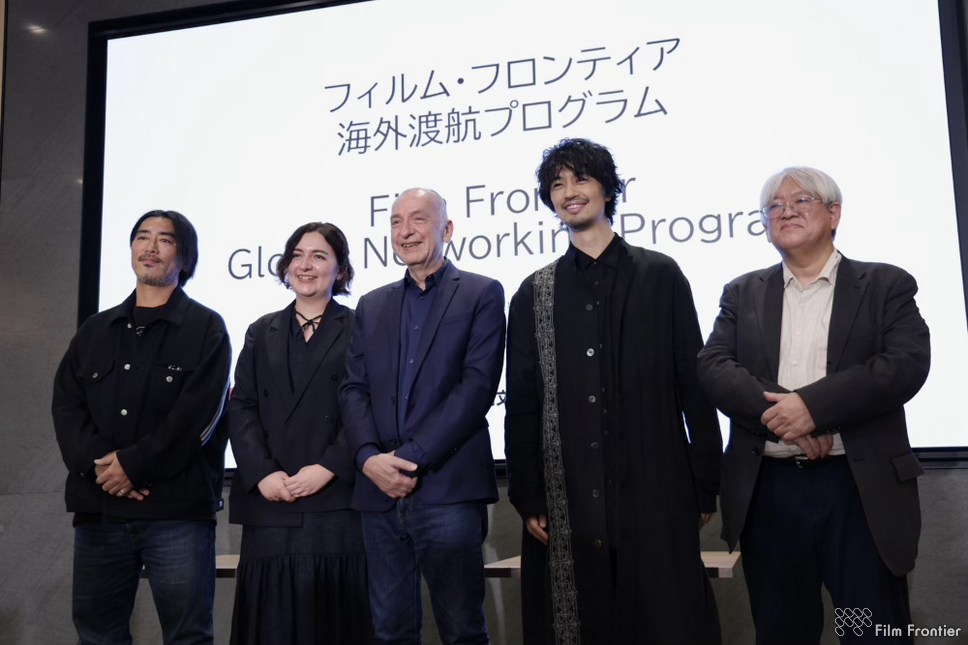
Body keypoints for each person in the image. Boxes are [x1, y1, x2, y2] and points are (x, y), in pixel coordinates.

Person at [697, 166, 930, 644]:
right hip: (769, 491)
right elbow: (714, 366)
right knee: (783, 632)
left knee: (872, 633)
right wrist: (787, 418)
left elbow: (904, 364)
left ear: (834, 213)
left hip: (858, 490)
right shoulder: (742, 291)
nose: (785, 211)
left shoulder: (885, 284)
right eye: (774, 206)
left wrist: (814, 408)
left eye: (800, 201)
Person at [504, 138, 723, 645]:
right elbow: (523, 404)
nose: (569, 191)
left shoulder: (661, 274)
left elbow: (695, 385)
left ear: (608, 189)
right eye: (556, 184)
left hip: (657, 487)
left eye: (580, 178)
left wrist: (704, 481)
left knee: (666, 619)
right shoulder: (533, 293)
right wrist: (528, 493)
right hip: (568, 497)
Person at [52, 210, 231, 645]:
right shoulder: (95, 330)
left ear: (184, 258)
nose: (150, 248)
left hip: (176, 512)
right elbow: (67, 406)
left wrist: (132, 467)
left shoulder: (206, 328)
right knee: (97, 636)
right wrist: (104, 469)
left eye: (165, 240)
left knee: (188, 636)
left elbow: (197, 418)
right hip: (100, 512)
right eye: (142, 238)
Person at [339, 187, 505, 645]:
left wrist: (408, 458)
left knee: (462, 630)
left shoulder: (481, 292)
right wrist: (368, 458)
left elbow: (476, 388)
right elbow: (353, 388)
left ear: (446, 229)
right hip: (378, 493)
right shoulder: (372, 304)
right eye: (396, 222)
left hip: (448, 488)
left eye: (418, 219)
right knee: (390, 632)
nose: (405, 231)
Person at [227, 222, 373, 645]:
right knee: (271, 623)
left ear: (340, 270)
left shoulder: (360, 327)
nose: (305, 265)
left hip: (336, 501)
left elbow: (367, 406)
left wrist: (328, 467)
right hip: (271, 499)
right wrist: (262, 473)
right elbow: (242, 406)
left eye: (319, 256)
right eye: (297, 255)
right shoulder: (260, 330)